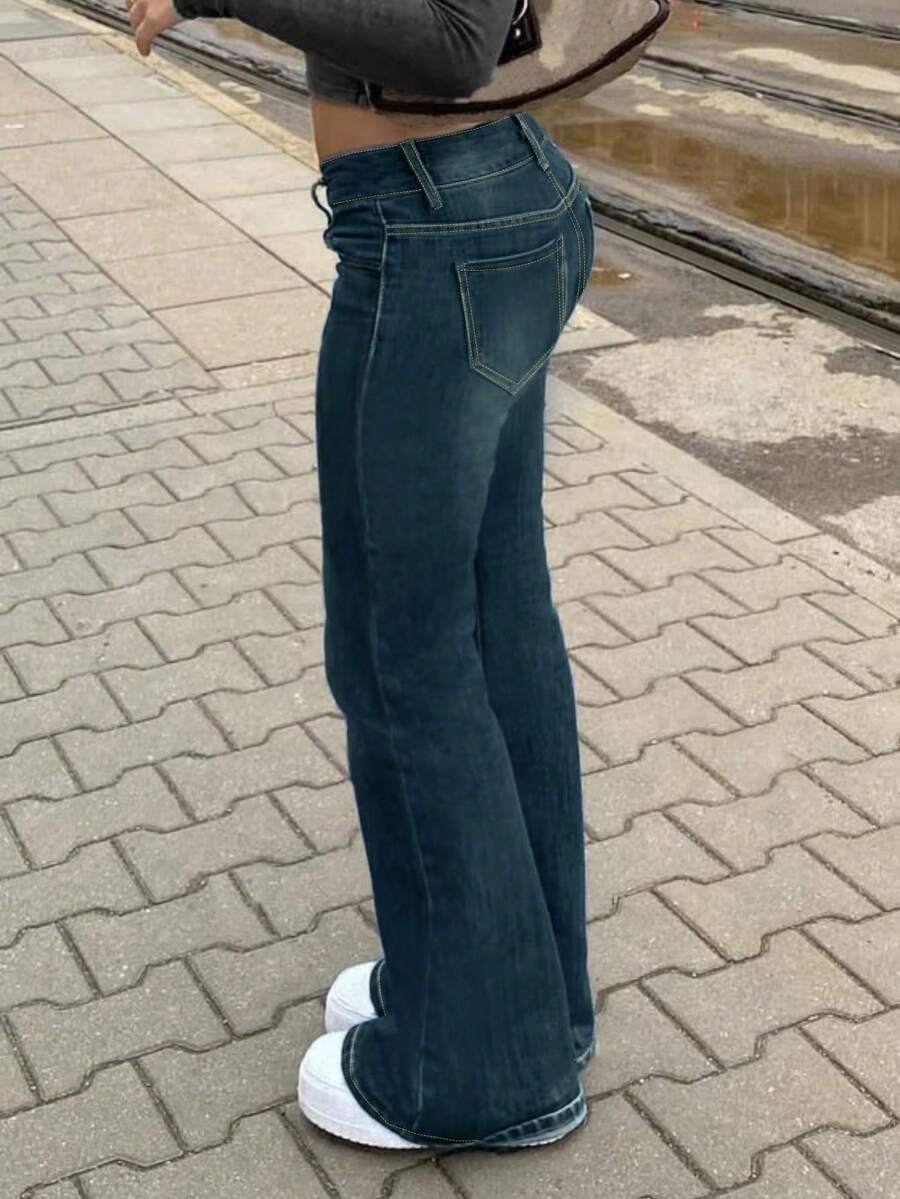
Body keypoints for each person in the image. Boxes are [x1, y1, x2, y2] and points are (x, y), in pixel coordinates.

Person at [128, 0, 597, 1155]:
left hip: (435, 236)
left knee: (405, 653)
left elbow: (454, 40)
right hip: (474, 209)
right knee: (493, 628)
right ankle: (521, 1001)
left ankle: (476, 1068)